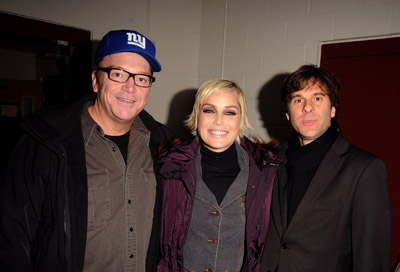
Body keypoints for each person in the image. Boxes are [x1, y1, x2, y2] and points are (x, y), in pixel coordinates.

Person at [0, 29, 173, 272]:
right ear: (95, 79)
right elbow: (10, 234)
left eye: (142, 78)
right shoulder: (45, 142)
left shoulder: (163, 146)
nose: (130, 87)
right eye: (118, 74)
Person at [261, 64, 392, 271]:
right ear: (288, 113)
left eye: (317, 98)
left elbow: (371, 259)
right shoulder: (271, 159)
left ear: (332, 109)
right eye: (298, 100)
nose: (307, 107)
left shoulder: (363, 169)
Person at [156, 79, 285, 272]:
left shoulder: (268, 171)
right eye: (209, 110)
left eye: (229, 112)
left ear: (240, 118)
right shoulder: (169, 169)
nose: (218, 120)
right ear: (197, 115)